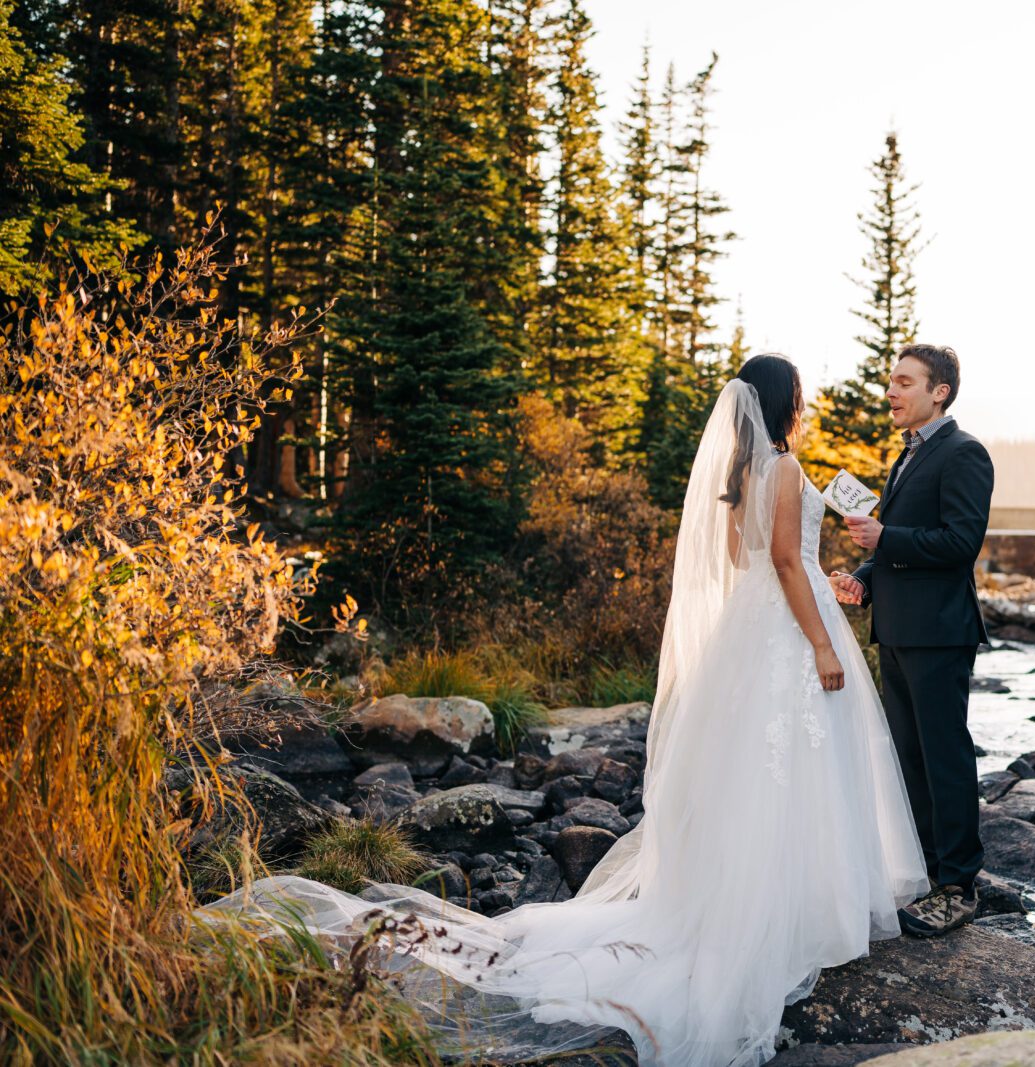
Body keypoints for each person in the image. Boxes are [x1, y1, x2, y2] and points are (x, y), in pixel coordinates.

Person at [203, 354, 929, 1067]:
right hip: (788, 634)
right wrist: (822, 644)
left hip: (754, 633)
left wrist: (822, 585)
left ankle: (744, 904)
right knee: (796, 770)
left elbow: (755, 566)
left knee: (754, 775)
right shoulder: (790, 471)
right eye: (800, 396)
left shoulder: (741, 477)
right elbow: (781, 562)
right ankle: (796, 915)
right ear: (786, 404)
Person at [828, 343, 994, 939]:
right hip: (897, 631)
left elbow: (959, 545)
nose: (891, 392)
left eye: (904, 382)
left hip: (940, 633)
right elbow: (897, 544)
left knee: (944, 758)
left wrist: (885, 539)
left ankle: (959, 886)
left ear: (938, 392)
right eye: (891, 382)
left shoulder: (964, 453)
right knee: (909, 759)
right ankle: (929, 873)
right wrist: (862, 579)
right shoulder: (906, 457)